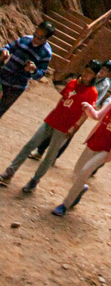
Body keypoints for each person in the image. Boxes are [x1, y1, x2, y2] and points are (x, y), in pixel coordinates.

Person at [0, 60, 100, 193]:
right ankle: (9, 172)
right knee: (30, 144)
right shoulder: (72, 83)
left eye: (90, 73)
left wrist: (74, 127)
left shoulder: (92, 92)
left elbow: (86, 113)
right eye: (86, 71)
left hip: (65, 127)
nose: (87, 74)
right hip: (52, 120)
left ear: (94, 76)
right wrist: (54, 111)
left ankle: (35, 180)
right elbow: (63, 98)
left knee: (49, 156)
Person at [52, 80, 111, 216]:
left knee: (85, 171)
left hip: (106, 149)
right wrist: (88, 108)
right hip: (94, 142)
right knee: (77, 171)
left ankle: (65, 204)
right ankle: (81, 188)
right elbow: (97, 116)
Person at [29, 58, 111, 162]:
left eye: (106, 70)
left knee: (69, 134)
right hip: (71, 104)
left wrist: (87, 111)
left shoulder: (105, 84)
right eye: (103, 68)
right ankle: (40, 151)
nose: (102, 71)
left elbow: (97, 100)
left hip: (83, 110)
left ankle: (54, 156)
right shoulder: (90, 73)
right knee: (54, 127)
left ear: (108, 73)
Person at [0, 21, 54, 119]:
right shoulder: (25, 39)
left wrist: (33, 70)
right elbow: (8, 47)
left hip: (16, 88)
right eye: (35, 34)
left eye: (40, 38)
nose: (35, 38)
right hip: (3, 78)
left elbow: (40, 74)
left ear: (46, 39)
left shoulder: (46, 53)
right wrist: (4, 51)